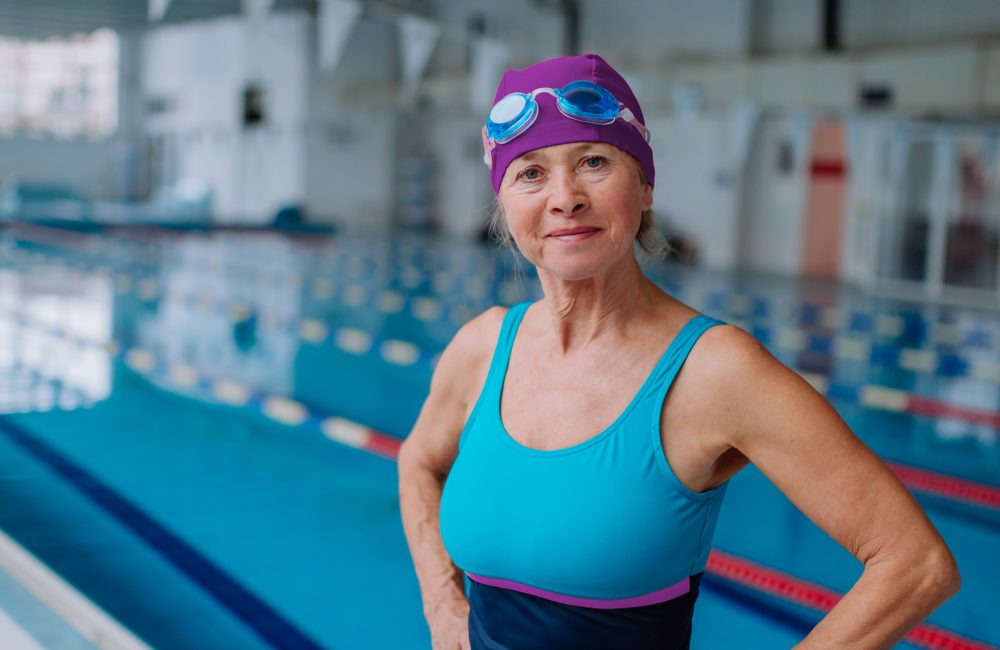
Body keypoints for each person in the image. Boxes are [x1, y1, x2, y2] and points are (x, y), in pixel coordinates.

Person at [397, 53, 960, 650]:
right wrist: (441, 603)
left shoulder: (716, 371)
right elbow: (417, 463)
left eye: (593, 162)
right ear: (505, 208)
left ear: (643, 186)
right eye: (529, 173)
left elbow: (915, 563)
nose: (564, 198)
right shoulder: (483, 346)